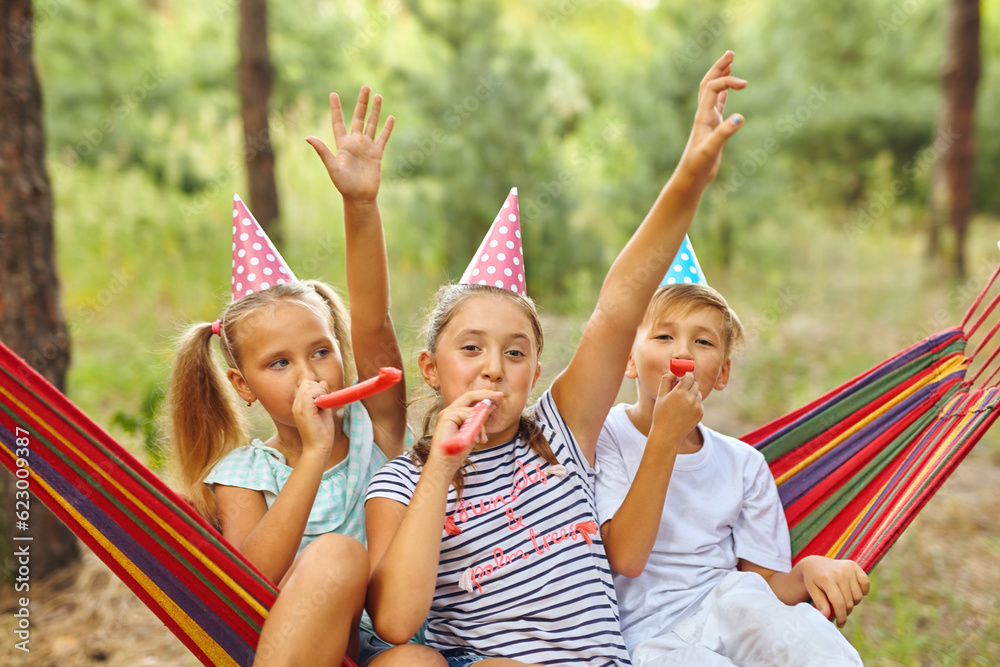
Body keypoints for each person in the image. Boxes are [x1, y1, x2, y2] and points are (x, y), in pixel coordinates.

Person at [364, 52, 747, 666]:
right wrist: (439, 469)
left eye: (515, 354)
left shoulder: (561, 434)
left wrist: (690, 178)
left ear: (534, 374)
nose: (493, 368)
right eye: (471, 349)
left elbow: (619, 308)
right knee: (401, 661)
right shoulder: (399, 485)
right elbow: (397, 619)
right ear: (430, 369)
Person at [167, 87, 442, 667]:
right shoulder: (242, 475)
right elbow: (248, 583)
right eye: (279, 364)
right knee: (338, 555)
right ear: (243, 387)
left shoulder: (376, 430)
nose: (309, 373)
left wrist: (361, 204)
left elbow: (374, 322)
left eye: (320, 352)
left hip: (379, 644)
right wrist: (313, 457)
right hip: (291, 647)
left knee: (422, 663)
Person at [595, 281, 870, 666]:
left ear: (721, 374)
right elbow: (626, 557)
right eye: (663, 335)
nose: (682, 353)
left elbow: (768, 590)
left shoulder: (744, 463)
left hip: (733, 608)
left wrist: (808, 570)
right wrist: (664, 437)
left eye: (703, 342)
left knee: (811, 645)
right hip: (652, 638)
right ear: (629, 359)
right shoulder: (603, 435)